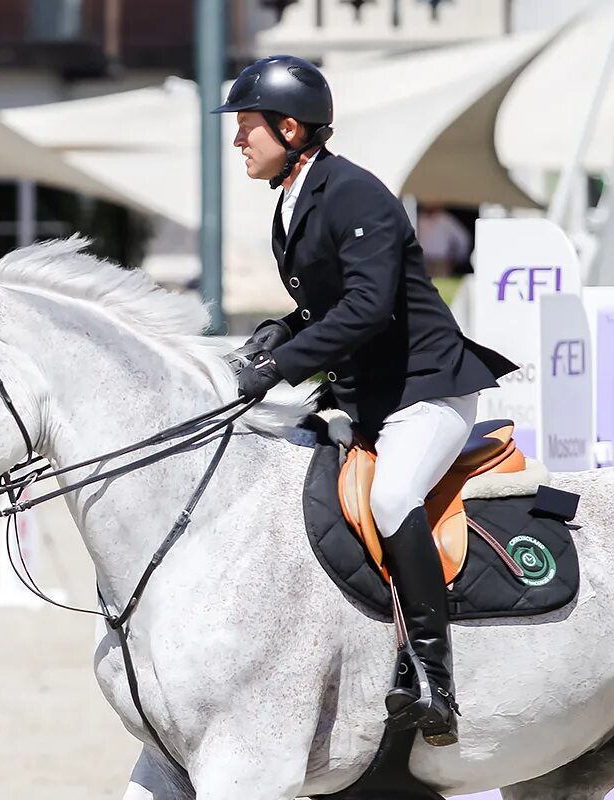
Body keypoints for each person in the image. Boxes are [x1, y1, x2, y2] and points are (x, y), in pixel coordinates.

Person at [213, 55, 517, 746]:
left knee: (391, 497)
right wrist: (277, 333)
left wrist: (280, 367)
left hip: (425, 393)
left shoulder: (354, 193)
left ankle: (433, 680)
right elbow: (324, 304)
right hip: (367, 400)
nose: (238, 140)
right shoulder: (294, 202)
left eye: (247, 127)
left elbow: (370, 308)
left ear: (290, 129)